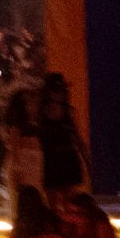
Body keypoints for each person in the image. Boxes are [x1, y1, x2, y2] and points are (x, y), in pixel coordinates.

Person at [35, 72, 86, 207]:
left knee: (69, 201)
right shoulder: (41, 112)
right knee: (52, 201)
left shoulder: (69, 111)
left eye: (62, 89)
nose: (61, 92)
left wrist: (86, 160)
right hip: (52, 159)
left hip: (67, 158)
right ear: (49, 91)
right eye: (57, 89)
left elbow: (78, 139)